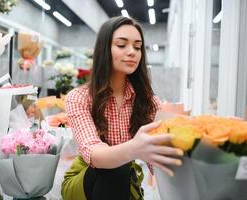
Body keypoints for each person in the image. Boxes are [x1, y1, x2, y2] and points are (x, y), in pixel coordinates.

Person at [61, 16, 183, 200]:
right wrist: (134, 148)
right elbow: (94, 154)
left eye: (137, 46)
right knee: (116, 168)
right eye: (121, 45)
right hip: (84, 178)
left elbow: (157, 162)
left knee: (122, 170)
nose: (132, 52)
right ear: (105, 49)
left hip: (123, 181)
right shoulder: (79, 98)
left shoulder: (148, 101)